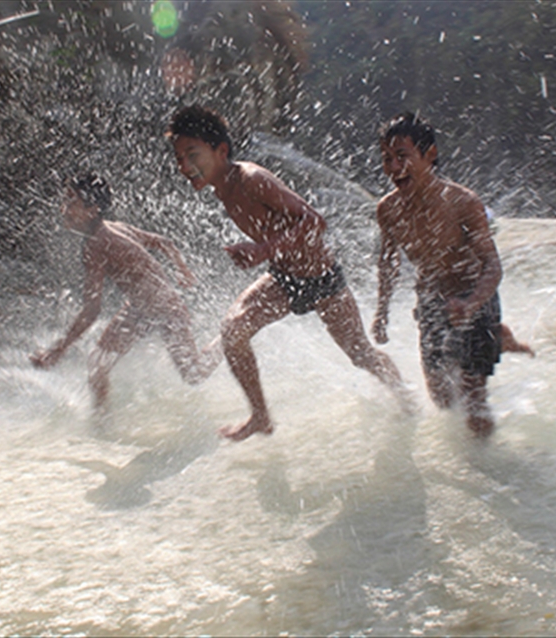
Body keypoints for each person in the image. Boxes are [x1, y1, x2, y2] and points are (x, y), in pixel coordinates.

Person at [167, 105, 414, 442]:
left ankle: (406, 399)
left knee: (361, 355)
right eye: (179, 158)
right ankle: (260, 417)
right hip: (284, 280)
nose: (184, 166)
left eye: (192, 154)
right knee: (233, 330)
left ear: (220, 150)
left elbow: (315, 221)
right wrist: (263, 253)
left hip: (323, 281)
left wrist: (261, 250)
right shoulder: (221, 188)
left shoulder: (251, 179)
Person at [373, 112, 533, 436]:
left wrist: (473, 302)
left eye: (402, 156)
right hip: (432, 299)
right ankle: (499, 339)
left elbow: (492, 265)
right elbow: (388, 262)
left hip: (475, 296)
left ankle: (492, 474)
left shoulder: (462, 202)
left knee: (474, 403)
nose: (393, 168)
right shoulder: (387, 210)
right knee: (443, 399)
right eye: (386, 159)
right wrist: (382, 310)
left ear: (429, 154)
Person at [30, 173, 221, 406]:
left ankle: (230, 336)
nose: (64, 208)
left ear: (92, 210)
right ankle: (101, 426)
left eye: (72, 202)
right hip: (138, 309)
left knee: (194, 373)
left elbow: (92, 310)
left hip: (166, 309)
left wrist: (59, 350)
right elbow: (163, 242)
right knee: (98, 364)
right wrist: (182, 269)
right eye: (65, 200)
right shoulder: (112, 228)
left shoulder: (96, 245)